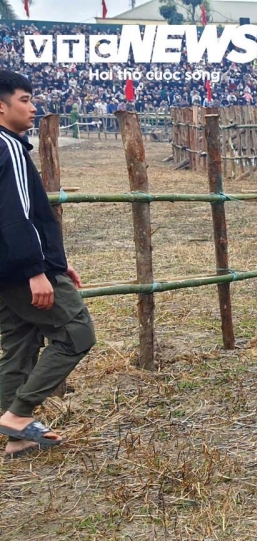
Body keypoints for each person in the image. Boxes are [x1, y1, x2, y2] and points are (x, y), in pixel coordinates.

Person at [0, 70, 96, 458]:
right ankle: (19, 415)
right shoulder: (7, 147)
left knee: (20, 345)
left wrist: (57, 263)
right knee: (77, 333)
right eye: (25, 99)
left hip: (8, 271)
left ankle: (16, 439)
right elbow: (17, 216)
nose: (33, 106)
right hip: (24, 271)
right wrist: (38, 271)